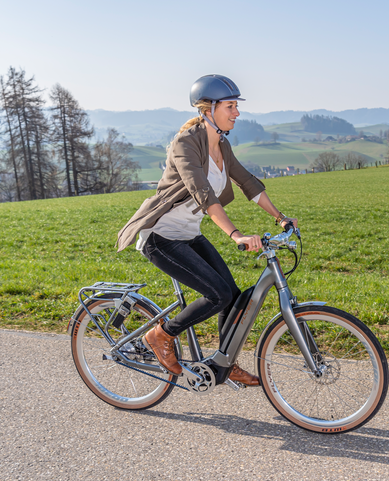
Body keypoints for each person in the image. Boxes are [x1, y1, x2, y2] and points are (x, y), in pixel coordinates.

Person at [116, 75, 297, 386]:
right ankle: (160, 336)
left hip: (188, 234)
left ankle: (223, 363)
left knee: (234, 297)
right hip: (161, 236)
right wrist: (236, 234)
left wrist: (281, 217)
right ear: (208, 109)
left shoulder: (222, 145)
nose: (237, 112)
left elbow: (248, 183)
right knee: (218, 294)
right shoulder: (184, 144)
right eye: (231, 106)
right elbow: (204, 194)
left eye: (236, 106)